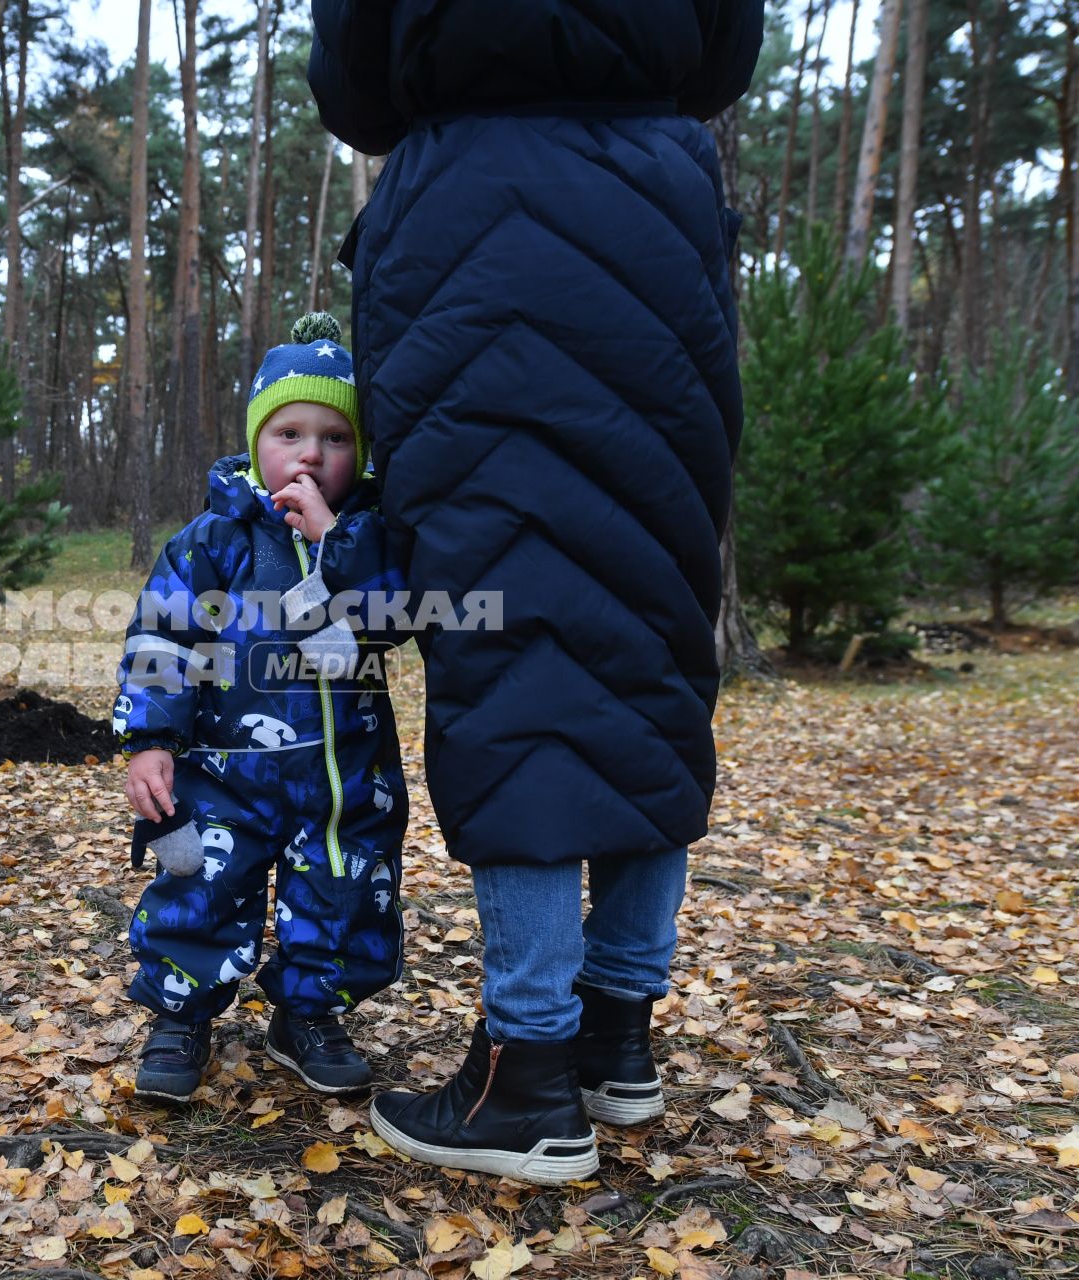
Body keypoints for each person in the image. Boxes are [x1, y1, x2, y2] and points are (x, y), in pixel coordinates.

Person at [306, 0, 764, 1183]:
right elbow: (724, 56)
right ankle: (617, 1038)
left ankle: (529, 1074)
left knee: (508, 662)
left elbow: (353, 85)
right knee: (649, 651)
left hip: (466, 236)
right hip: (653, 233)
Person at [113, 313, 410, 1102]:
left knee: (344, 893)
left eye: (335, 438)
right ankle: (181, 1015)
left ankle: (308, 1015)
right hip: (223, 769)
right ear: (256, 442)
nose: (310, 453)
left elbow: (394, 625)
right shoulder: (213, 541)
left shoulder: (373, 537)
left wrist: (339, 545)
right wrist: (149, 738)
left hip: (345, 773)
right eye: (288, 432)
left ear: (362, 453)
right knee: (200, 888)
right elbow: (163, 635)